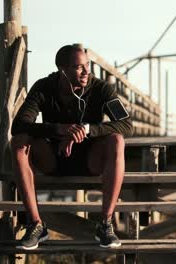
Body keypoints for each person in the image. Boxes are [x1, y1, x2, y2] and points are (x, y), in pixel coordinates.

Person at [10, 44, 133, 250]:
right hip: (53, 158)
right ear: (62, 70)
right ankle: (36, 225)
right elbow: (19, 126)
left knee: (117, 140)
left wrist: (86, 130)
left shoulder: (101, 88)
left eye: (88, 65)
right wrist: (59, 129)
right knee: (19, 141)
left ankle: (105, 224)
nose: (87, 71)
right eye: (79, 67)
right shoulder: (44, 87)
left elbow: (126, 125)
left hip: (89, 160)